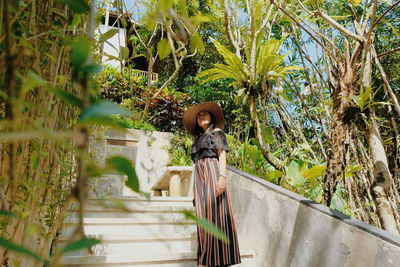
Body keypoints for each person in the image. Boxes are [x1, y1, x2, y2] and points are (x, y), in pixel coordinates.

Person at [183, 102, 241, 267]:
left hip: (213, 171)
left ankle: (217, 258)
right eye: (198, 115)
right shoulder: (199, 138)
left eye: (205, 114)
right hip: (200, 177)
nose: (201, 117)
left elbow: (221, 155)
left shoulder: (216, 132)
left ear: (212, 117)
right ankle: (205, 258)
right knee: (203, 215)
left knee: (215, 213)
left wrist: (222, 177)